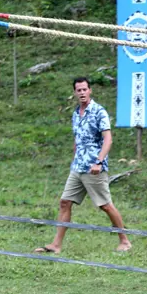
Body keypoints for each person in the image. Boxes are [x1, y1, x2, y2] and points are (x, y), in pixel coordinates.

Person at [35, 77, 132, 254]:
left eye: (84, 89)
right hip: (77, 167)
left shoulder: (98, 111)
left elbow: (108, 139)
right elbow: (77, 139)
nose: (82, 93)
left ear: (90, 90)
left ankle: (125, 240)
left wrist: (99, 161)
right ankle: (56, 245)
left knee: (105, 205)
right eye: (78, 90)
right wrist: (74, 156)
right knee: (65, 202)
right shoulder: (75, 114)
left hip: (94, 168)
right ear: (74, 93)